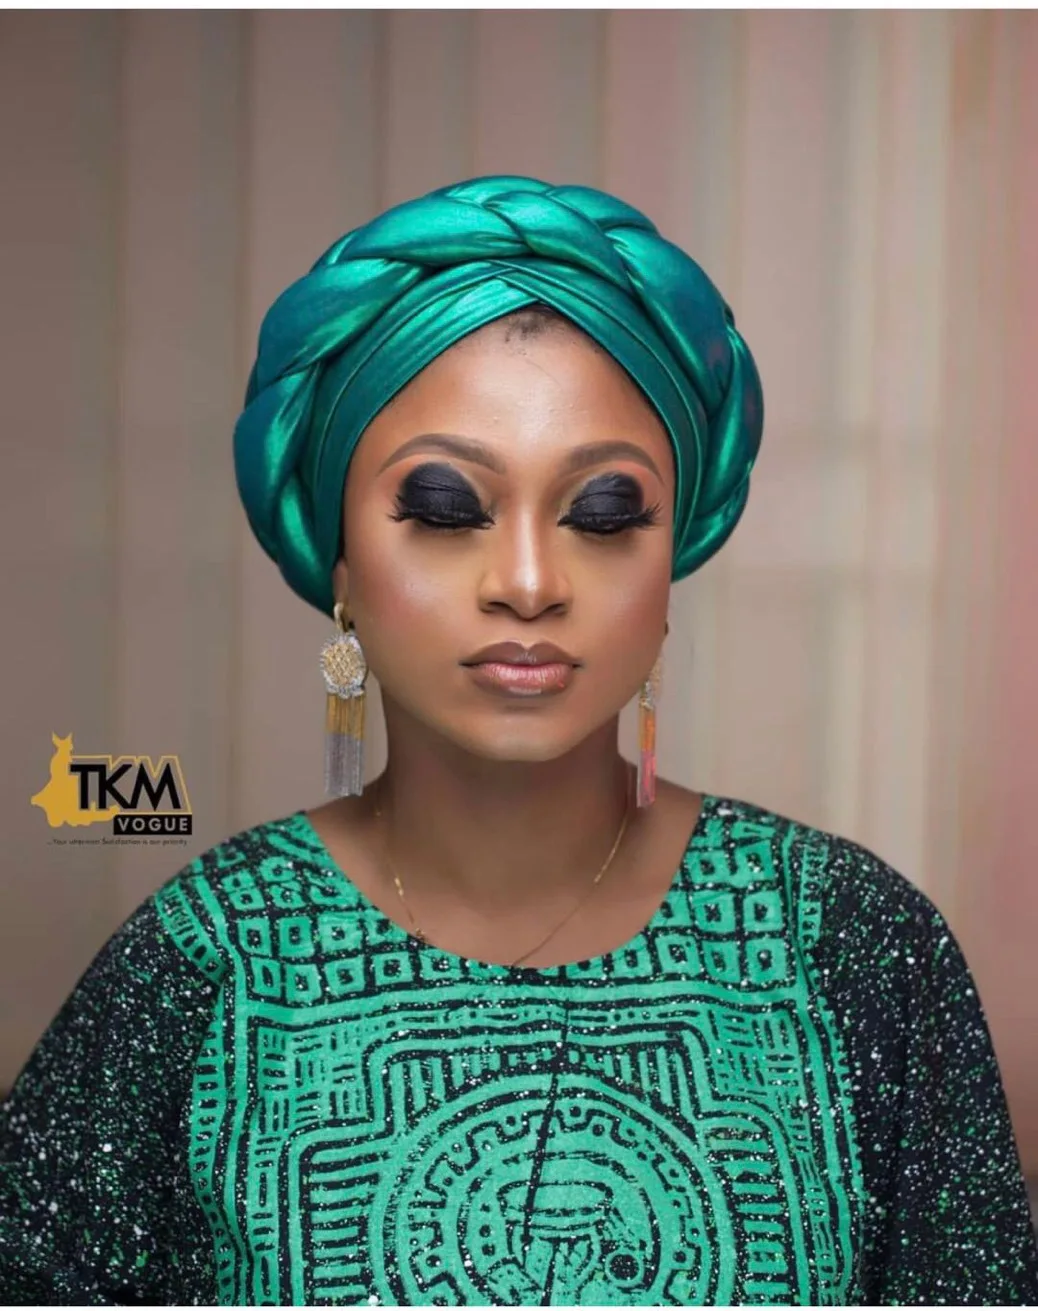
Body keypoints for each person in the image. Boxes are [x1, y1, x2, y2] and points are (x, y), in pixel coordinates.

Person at [1, 175, 1036, 1308]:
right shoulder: (210, 962)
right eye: (447, 511)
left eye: (604, 514)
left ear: (670, 563)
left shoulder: (847, 945)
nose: (531, 583)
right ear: (339, 559)